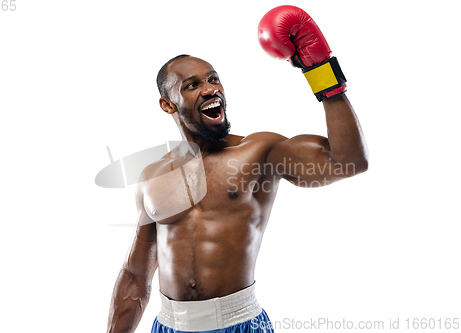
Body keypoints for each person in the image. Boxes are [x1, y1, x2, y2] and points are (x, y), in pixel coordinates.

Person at [106, 5, 368, 333]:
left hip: (239, 323)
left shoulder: (259, 151)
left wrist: (321, 72)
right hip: (168, 326)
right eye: (192, 85)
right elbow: (136, 276)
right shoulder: (153, 176)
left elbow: (349, 161)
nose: (210, 89)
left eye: (214, 79)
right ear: (168, 104)